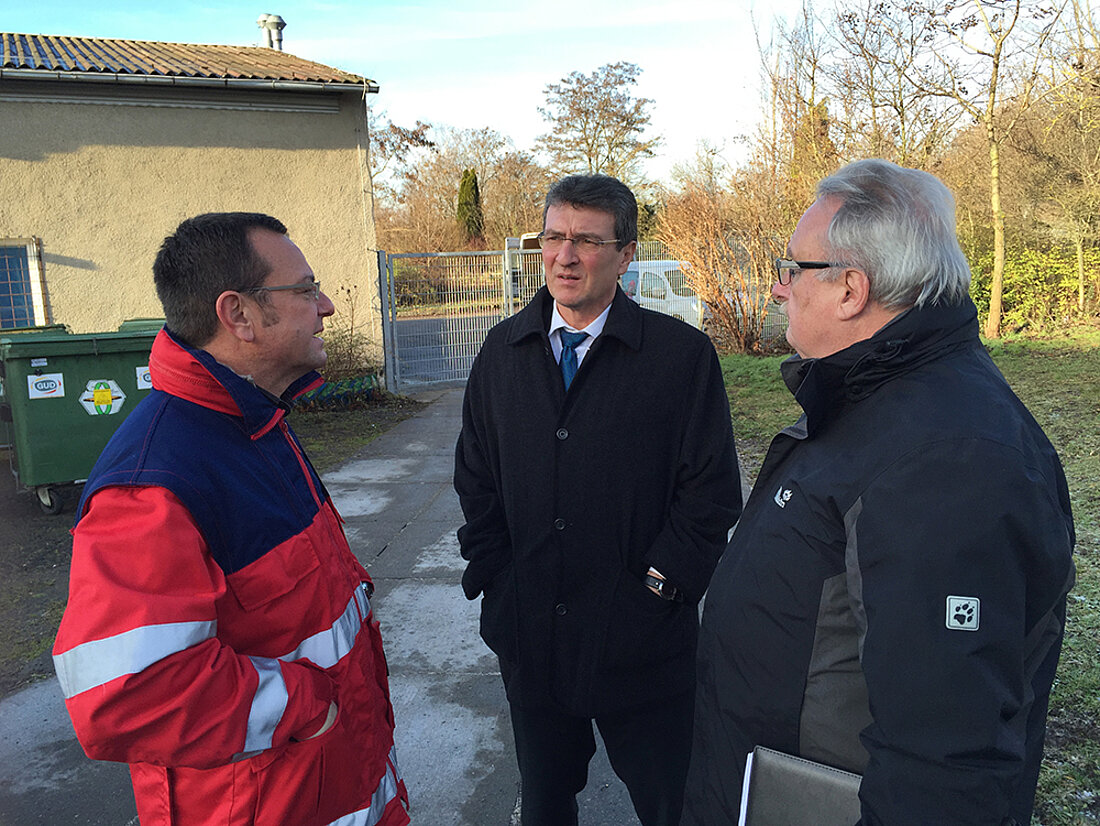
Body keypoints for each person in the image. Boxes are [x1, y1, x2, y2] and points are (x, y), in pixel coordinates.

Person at [684, 159, 1076, 826]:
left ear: (851, 290)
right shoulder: (875, 403)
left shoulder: (947, 458)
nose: (779, 289)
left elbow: (945, 761)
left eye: (792, 268)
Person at [52, 213, 409, 826]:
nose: (324, 305)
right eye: (304, 288)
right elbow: (129, 693)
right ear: (238, 314)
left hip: (340, 782)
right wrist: (311, 708)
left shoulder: (257, 423)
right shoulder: (155, 480)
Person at [454, 174, 742, 826]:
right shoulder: (503, 352)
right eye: (553, 237)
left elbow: (712, 493)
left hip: (643, 645)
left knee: (677, 808)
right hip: (533, 643)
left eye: (586, 240)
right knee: (546, 807)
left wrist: (660, 590)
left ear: (626, 252)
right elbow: (476, 479)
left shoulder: (679, 358)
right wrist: (498, 581)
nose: (565, 255)